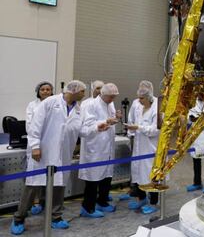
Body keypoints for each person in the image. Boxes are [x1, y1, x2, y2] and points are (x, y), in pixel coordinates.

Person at [10, 80, 86, 235]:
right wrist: (35, 147)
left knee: (59, 186)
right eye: (82, 91)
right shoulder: (50, 102)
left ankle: (56, 217)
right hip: (43, 153)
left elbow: (81, 131)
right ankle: (19, 218)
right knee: (32, 186)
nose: (84, 94)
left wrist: (98, 128)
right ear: (73, 90)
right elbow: (34, 126)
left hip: (63, 154)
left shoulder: (78, 109)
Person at [79, 83, 122, 218]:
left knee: (106, 175)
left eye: (114, 97)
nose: (112, 100)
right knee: (93, 178)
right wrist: (105, 121)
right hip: (95, 147)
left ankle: (102, 202)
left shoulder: (110, 104)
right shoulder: (90, 105)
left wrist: (115, 119)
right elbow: (87, 126)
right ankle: (88, 208)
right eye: (110, 97)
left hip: (107, 145)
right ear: (103, 94)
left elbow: (110, 121)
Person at [125, 80, 160, 214]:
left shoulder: (157, 107)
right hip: (139, 146)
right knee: (138, 173)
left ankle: (153, 203)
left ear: (149, 96)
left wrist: (138, 127)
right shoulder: (139, 106)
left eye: (141, 98)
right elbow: (133, 120)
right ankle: (141, 199)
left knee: (151, 175)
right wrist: (132, 129)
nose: (138, 101)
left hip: (151, 148)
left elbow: (156, 129)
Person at [25, 81, 54, 215]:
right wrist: (37, 143)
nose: (46, 91)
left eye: (48, 89)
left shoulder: (56, 104)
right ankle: (30, 205)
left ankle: (44, 203)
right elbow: (30, 126)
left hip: (50, 145)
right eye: (43, 89)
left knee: (48, 177)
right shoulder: (32, 105)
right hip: (36, 144)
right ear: (38, 91)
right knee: (34, 178)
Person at [186, 94, 204, 193]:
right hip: (196, 138)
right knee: (196, 161)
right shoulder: (193, 101)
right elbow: (188, 117)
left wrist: (203, 118)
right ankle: (197, 183)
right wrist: (191, 119)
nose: (199, 95)